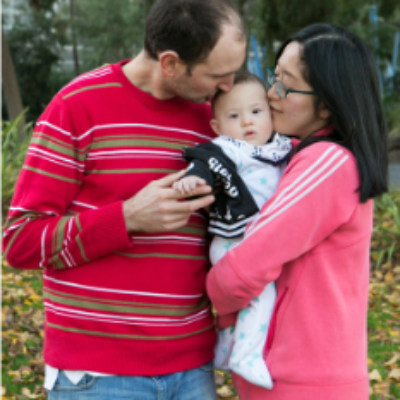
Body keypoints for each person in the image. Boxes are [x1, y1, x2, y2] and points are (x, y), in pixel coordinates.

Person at [3, 1, 247, 399]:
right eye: (218, 75)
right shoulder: (77, 107)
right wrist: (127, 218)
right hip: (99, 376)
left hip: (194, 370)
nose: (229, 86)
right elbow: (21, 241)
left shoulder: (216, 121)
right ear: (170, 63)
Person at [206, 23, 388, 400]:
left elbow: (243, 269)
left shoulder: (327, 162)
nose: (271, 93)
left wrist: (215, 291)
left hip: (301, 383)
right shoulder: (299, 155)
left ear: (327, 103)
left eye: (286, 84)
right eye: (275, 76)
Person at [173, 72, 292, 389]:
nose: (247, 123)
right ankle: (247, 356)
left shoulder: (278, 149)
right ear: (217, 127)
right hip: (233, 239)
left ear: (270, 112)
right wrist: (193, 180)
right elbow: (206, 164)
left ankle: (227, 345)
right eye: (234, 116)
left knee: (256, 297)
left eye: (256, 111)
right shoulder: (228, 149)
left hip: (260, 240)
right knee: (261, 295)